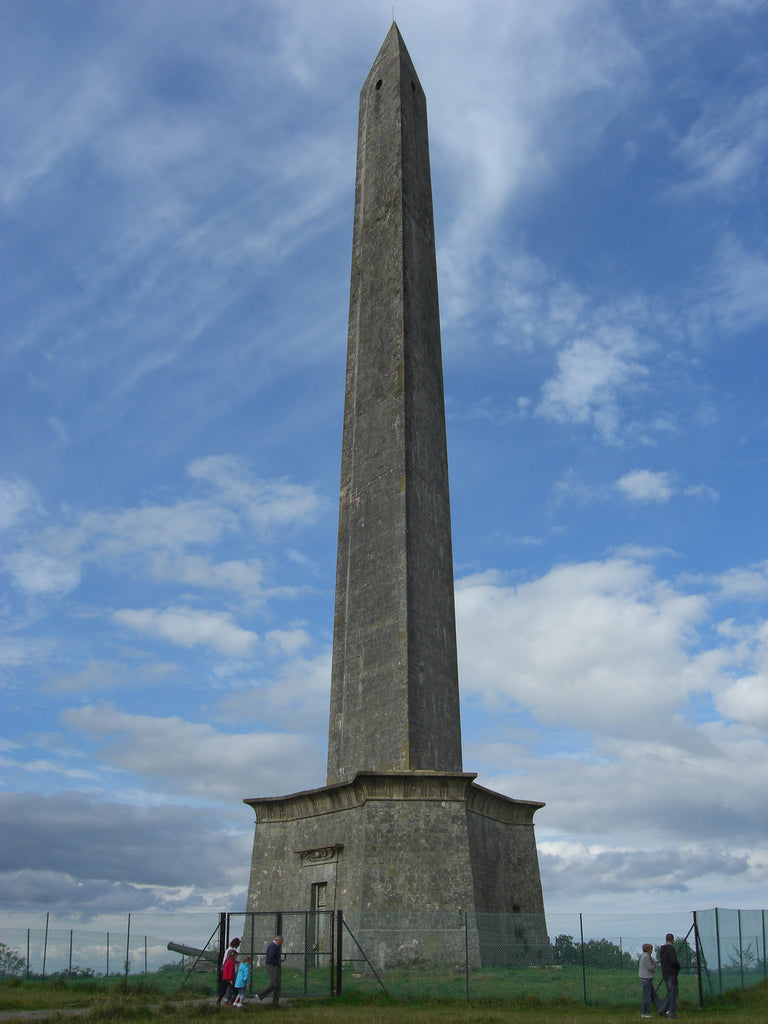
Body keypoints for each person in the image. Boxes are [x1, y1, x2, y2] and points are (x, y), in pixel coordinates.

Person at [658, 933, 681, 1018]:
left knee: (670, 993)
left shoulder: (662, 949)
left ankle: (662, 1010)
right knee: (673, 994)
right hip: (672, 973)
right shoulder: (671, 948)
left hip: (665, 973)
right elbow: (673, 961)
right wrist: (678, 966)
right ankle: (672, 1013)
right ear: (672, 940)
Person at [257, 935, 284, 1006]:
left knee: (277, 984)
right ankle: (260, 995)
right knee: (274, 983)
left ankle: (275, 1001)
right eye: (281, 941)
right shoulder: (273, 946)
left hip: (273, 965)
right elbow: (270, 957)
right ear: (278, 940)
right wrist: (277, 961)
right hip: (271, 965)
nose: (281, 943)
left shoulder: (275, 946)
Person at [639, 942, 663, 1018]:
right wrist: (654, 965)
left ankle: (661, 1009)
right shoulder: (646, 957)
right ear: (647, 949)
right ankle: (644, 1013)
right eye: (651, 949)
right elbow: (649, 967)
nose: (651, 951)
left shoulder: (644, 956)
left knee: (654, 995)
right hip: (646, 979)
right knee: (646, 996)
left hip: (646, 978)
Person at [216, 937, 240, 1005]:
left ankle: (222, 1000)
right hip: (228, 976)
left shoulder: (229, 951)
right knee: (234, 990)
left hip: (227, 976)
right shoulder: (230, 952)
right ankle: (235, 1001)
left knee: (225, 989)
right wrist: (231, 979)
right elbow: (228, 962)